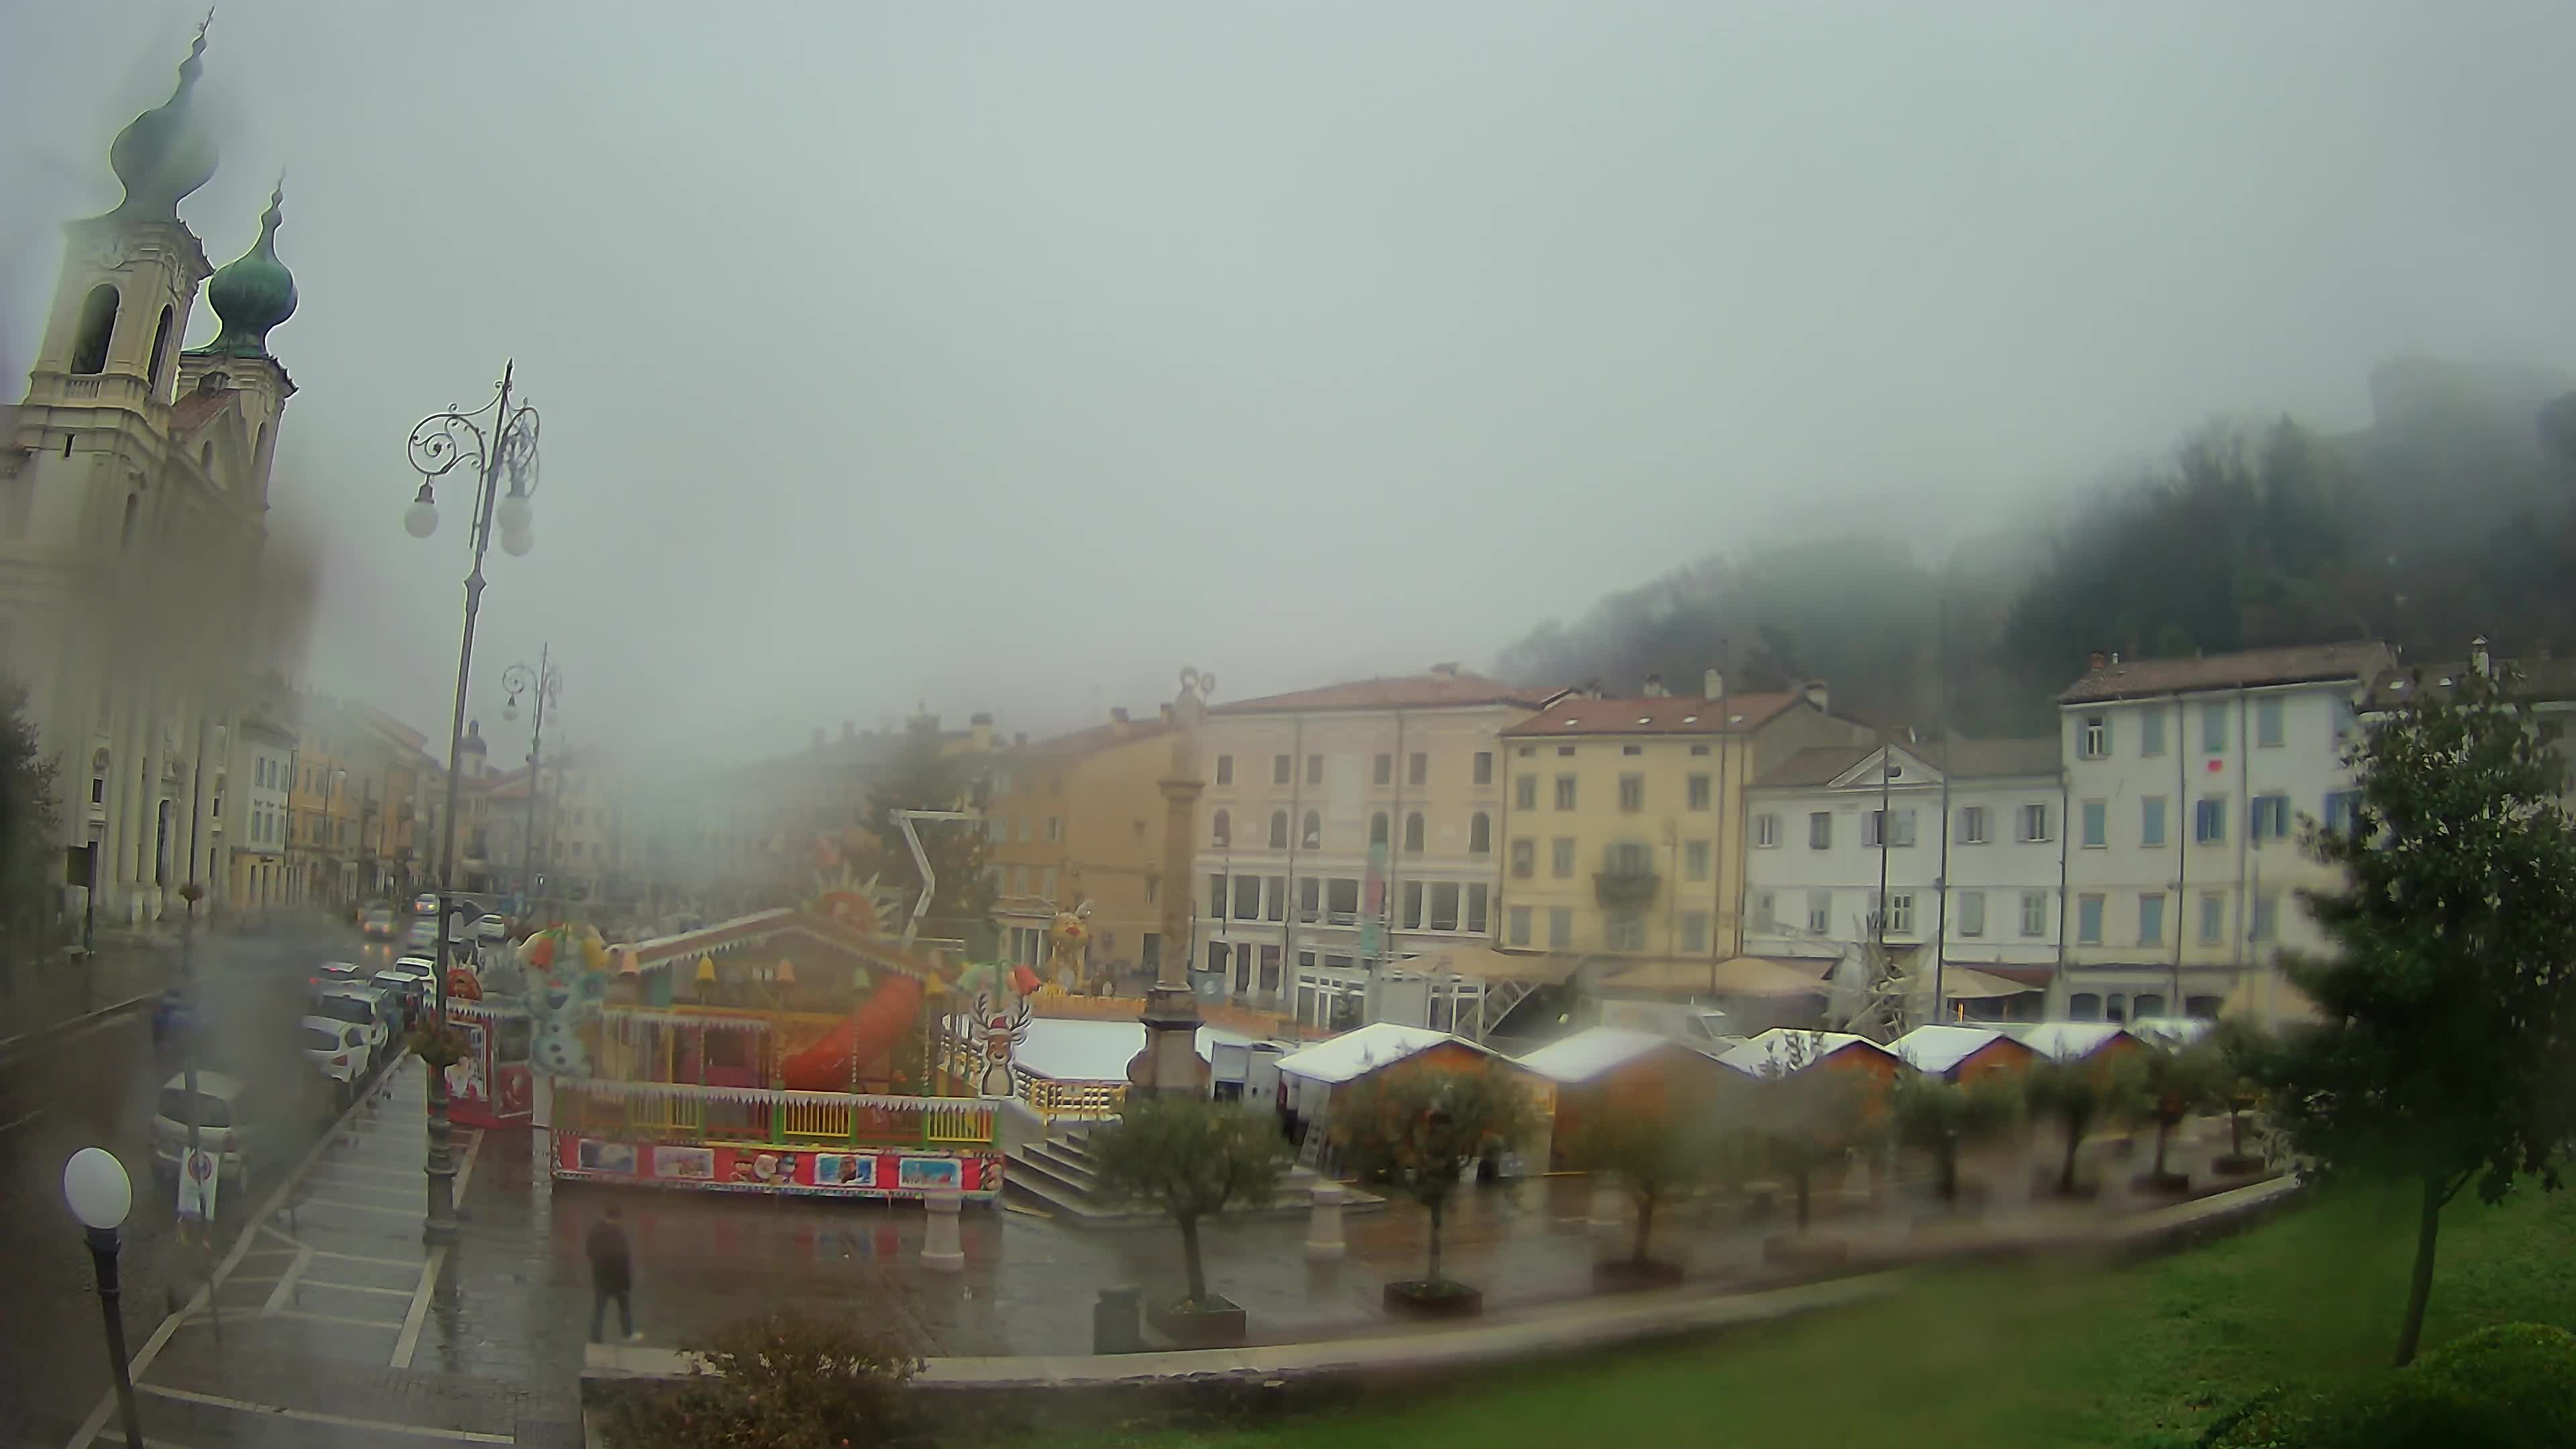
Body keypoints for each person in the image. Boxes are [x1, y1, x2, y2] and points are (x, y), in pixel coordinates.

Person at [586, 1205, 638, 1342]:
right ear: (619, 1217)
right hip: (618, 1280)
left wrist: (597, 1267)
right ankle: (627, 1334)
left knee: (599, 1311)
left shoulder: (595, 1231)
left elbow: (590, 1252)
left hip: (601, 1278)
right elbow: (624, 1259)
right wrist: (627, 1282)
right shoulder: (619, 1234)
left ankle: (595, 1338)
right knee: (624, 1309)